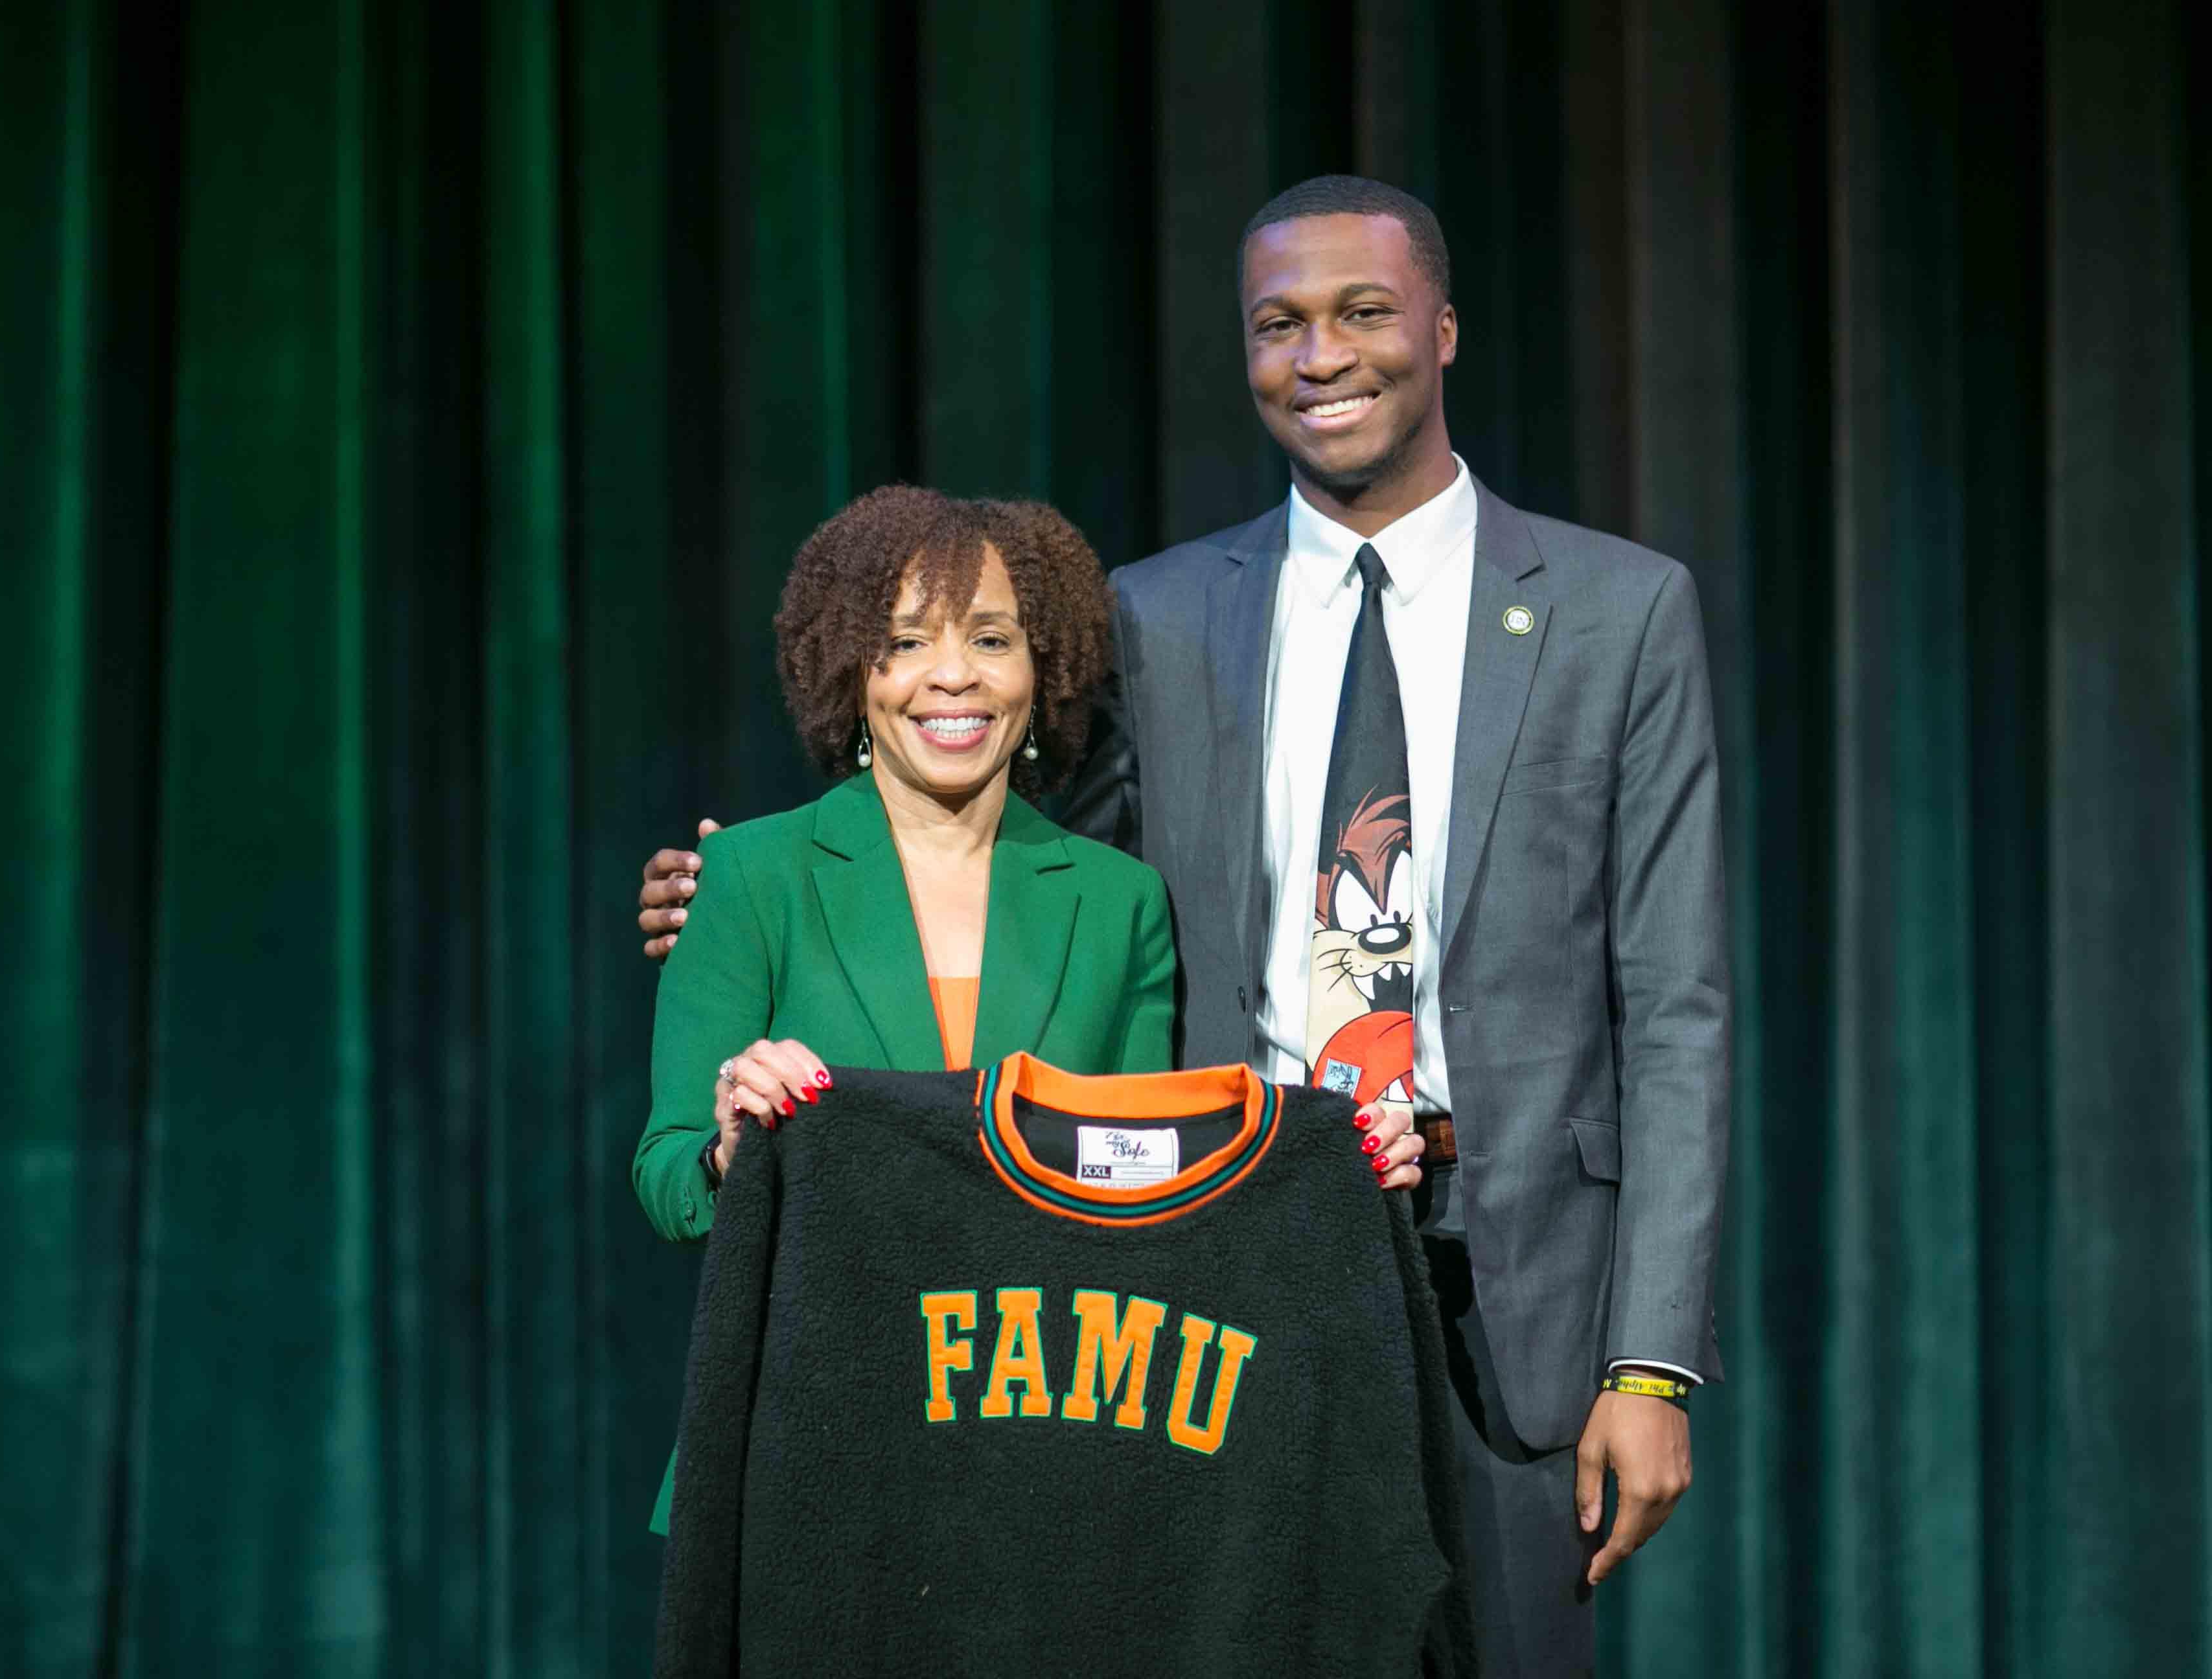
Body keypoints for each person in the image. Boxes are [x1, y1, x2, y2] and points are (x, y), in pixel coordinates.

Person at [639, 176, 1727, 1676]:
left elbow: (1677, 1005)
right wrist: (748, 896)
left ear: (1448, 328)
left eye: (1362, 312)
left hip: (1520, 1301)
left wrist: (1653, 1362)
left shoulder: (1621, 611)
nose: (1320, 355)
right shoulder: (1155, 617)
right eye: (1278, 325)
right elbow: (1012, 857)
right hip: (1230, 1287)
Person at [629, 484, 1431, 1537]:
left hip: (1053, 1460)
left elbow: (1155, 1175)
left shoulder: (1119, 901)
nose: (952, 675)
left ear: (1040, 667)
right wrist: (732, 1151)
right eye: (905, 641)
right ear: (849, 670)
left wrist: (1330, 1150)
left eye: (992, 638)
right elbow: (665, 1173)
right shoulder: (750, 874)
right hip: (810, 1441)